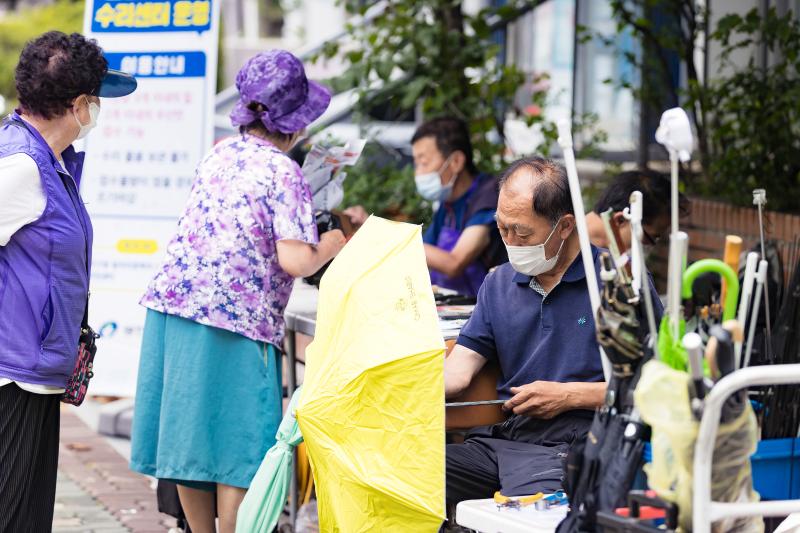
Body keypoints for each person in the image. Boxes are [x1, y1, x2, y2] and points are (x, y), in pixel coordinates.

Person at [129, 50, 346, 533]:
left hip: (175, 309)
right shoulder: (285, 171)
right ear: (296, 124)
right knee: (239, 445)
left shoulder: (219, 152)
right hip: (238, 320)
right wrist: (332, 241)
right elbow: (295, 260)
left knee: (188, 444)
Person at [444, 157, 663, 505]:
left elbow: (656, 387)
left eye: (523, 232)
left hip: (583, 444)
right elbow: (457, 371)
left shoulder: (617, 285)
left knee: (528, 509)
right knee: (412, 475)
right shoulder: (498, 283)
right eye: (502, 229)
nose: (511, 242)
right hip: (507, 439)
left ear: (564, 226)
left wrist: (569, 396)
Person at [0, 31, 136, 530]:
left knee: (28, 515)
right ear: (79, 104)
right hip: (11, 374)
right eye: (95, 100)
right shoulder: (20, 167)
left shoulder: (50, 162)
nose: (96, 110)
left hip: (33, 369)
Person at [345, 117, 506, 297]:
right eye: (416, 164)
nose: (418, 172)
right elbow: (418, 254)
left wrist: (384, 233)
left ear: (456, 162)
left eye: (424, 162)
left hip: (481, 308)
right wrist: (372, 232)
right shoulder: (448, 204)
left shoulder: (488, 196)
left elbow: (454, 263)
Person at [586, 169, 690, 253]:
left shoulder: (591, 255)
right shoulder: (583, 263)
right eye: (649, 238)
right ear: (620, 220)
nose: (649, 246)